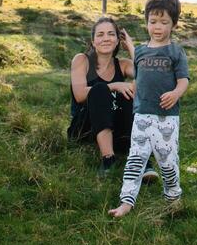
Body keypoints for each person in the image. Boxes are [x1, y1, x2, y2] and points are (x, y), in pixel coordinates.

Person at [108, 0, 189, 216]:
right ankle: (126, 201)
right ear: (146, 22)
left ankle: (173, 196)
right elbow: (139, 64)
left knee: (167, 160)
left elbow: (184, 80)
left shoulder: (176, 52)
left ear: (173, 24)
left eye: (164, 22)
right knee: (135, 159)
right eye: (153, 22)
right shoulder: (142, 51)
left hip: (167, 117)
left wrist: (175, 93)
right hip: (142, 115)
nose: (158, 27)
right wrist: (131, 45)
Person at [68, 14, 159, 181]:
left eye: (111, 34)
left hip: (116, 128)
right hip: (85, 128)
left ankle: (140, 159)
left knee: (129, 91)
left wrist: (131, 47)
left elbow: (148, 77)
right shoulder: (81, 60)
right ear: (93, 40)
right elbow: (80, 95)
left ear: (118, 40)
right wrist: (115, 85)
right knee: (101, 90)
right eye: (100, 34)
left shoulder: (123, 64)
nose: (106, 38)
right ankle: (108, 160)